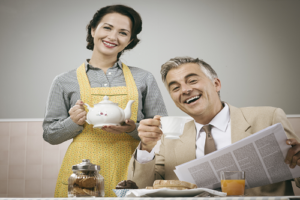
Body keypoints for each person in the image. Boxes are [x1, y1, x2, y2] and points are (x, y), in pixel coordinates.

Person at [127, 56, 300, 196]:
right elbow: (139, 189)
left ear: (216, 84)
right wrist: (146, 148)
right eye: (175, 87)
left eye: (192, 81)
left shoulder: (269, 117)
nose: (185, 90)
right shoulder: (168, 139)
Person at [42, 5, 167, 197]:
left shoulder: (144, 78)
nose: (112, 37)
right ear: (93, 30)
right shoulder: (64, 81)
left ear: (130, 40)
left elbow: (162, 130)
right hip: (83, 173)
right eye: (107, 28)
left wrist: (132, 129)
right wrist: (72, 122)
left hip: (132, 169)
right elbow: (50, 135)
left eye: (123, 33)